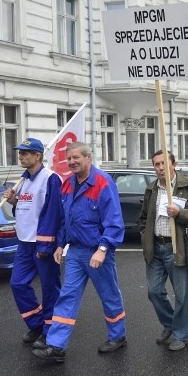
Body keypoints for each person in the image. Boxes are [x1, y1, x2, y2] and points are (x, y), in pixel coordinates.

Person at [33, 142, 126, 363]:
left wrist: (103, 249)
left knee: (109, 295)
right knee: (67, 295)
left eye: (76, 157)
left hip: (97, 251)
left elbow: (114, 221)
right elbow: (66, 220)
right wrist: (59, 245)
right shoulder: (67, 185)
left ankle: (118, 336)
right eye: (69, 159)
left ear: (88, 158)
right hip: (75, 252)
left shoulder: (103, 182)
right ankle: (56, 346)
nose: (72, 162)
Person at [138, 150, 188, 351]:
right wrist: (145, 235)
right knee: (154, 291)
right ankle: (170, 323)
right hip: (155, 247)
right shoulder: (151, 189)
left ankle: (182, 335)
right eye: (156, 164)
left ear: (173, 164)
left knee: (182, 295)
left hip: (178, 248)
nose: (160, 168)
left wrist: (181, 213)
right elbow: (144, 217)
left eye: (163, 163)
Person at [4, 138, 63, 347]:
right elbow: (25, 208)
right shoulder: (24, 180)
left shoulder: (51, 179)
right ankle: (37, 324)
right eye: (20, 153)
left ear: (38, 156)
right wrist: (14, 202)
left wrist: (46, 245)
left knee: (49, 289)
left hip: (42, 243)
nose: (21, 156)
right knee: (17, 283)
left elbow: (54, 213)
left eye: (26, 153)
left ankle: (50, 331)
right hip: (24, 243)